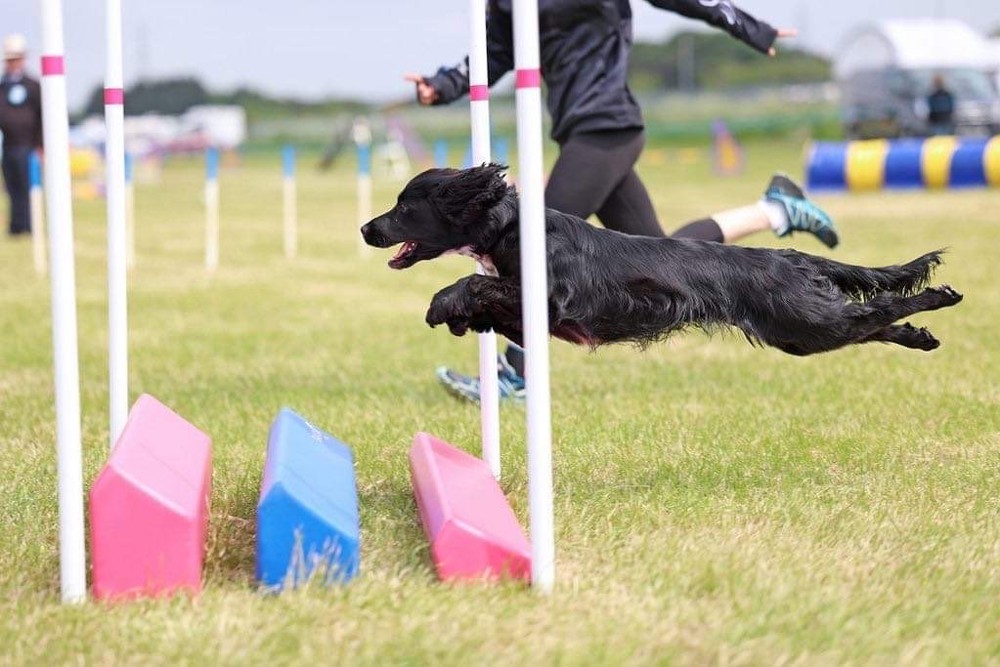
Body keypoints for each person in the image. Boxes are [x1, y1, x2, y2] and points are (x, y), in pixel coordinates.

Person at [404, 0, 840, 403]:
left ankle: (516, 373)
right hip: (578, 131)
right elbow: (495, 49)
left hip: (608, 127)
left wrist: (748, 25)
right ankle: (775, 208)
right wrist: (442, 86)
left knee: (532, 248)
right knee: (662, 258)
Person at [0, 33, 43, 237]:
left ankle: (29, 225)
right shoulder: (1, 87)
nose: (13, 63)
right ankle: (15, 226)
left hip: (28, 146)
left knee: (28, 188)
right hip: (8, 145)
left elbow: (41, 116)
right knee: (12, 188)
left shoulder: (33, 86)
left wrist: (40, 146)